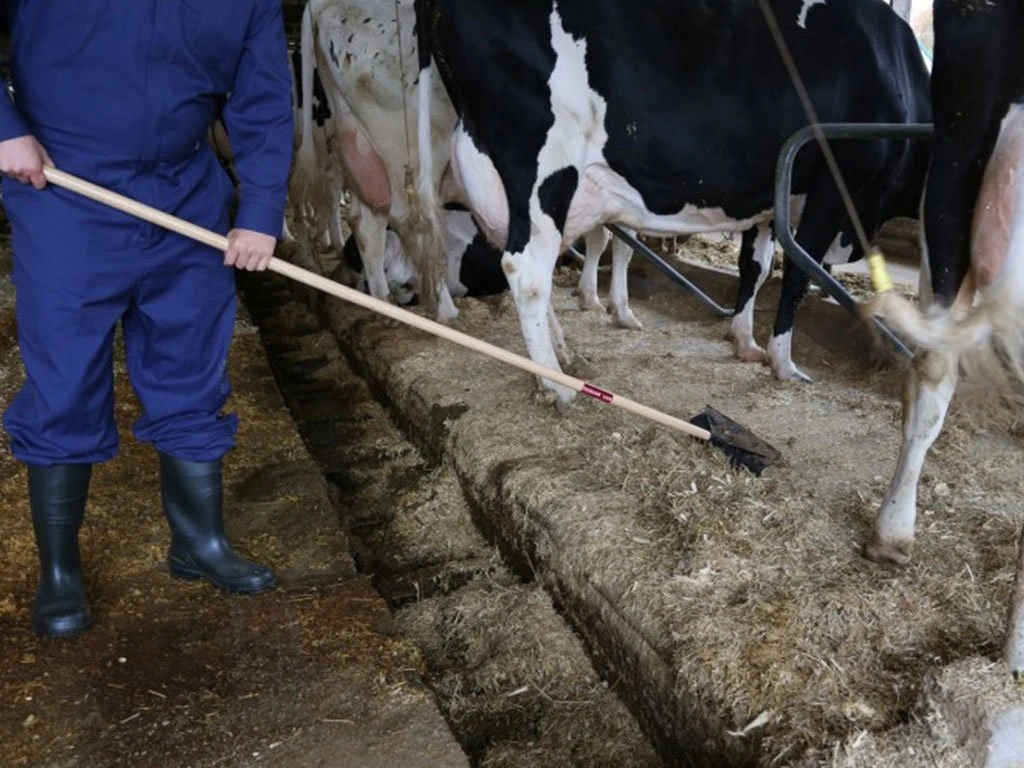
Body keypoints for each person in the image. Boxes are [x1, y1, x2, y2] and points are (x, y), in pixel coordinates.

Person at [0, 1, 294, 638]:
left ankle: (199, 544)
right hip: (65, 191)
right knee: (65, 382)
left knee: (191, 369)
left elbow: (264, 98)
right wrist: (4, 125)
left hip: (186, 195)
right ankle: (59, 571)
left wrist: (261, 211)